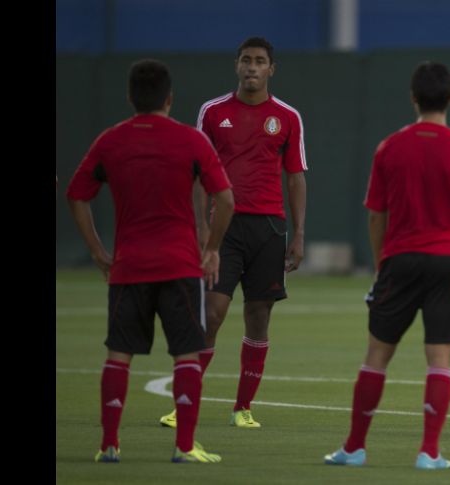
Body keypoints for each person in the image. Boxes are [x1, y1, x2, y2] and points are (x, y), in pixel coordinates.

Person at [66, 59, 234, 463]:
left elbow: (76, 195)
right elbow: (226, 199)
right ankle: (184, 446)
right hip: (180, 266)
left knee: (118, 355)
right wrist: (212, 248)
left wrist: (98, 251)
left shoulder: (111, 141)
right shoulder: (191, 141)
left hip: (129, 267)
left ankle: (109, 444)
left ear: (130, 97)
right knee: (187, 355)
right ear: (169, 98)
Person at [324, 62, 450, 469]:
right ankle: (429, 453)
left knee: (376, 355)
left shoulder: (390, 147)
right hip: (448, 261)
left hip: (399, 259)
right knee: (440, 359)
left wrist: (381, 263)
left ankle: (354, 448)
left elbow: (375, 215)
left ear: (413, 98)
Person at [159, 36, 307, 430]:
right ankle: (184, 404)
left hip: (270, 228)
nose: (252, 67)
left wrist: (298, 234)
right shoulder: (212, 111)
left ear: (271, 69)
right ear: (237, 65)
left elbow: (295, 177)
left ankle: (243, 408)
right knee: (211, 313)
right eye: (246, 60)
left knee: (258, 317)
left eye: (259, 61)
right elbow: (196, 175)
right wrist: (202, 226)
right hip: (224, 229)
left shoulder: (288, 117)